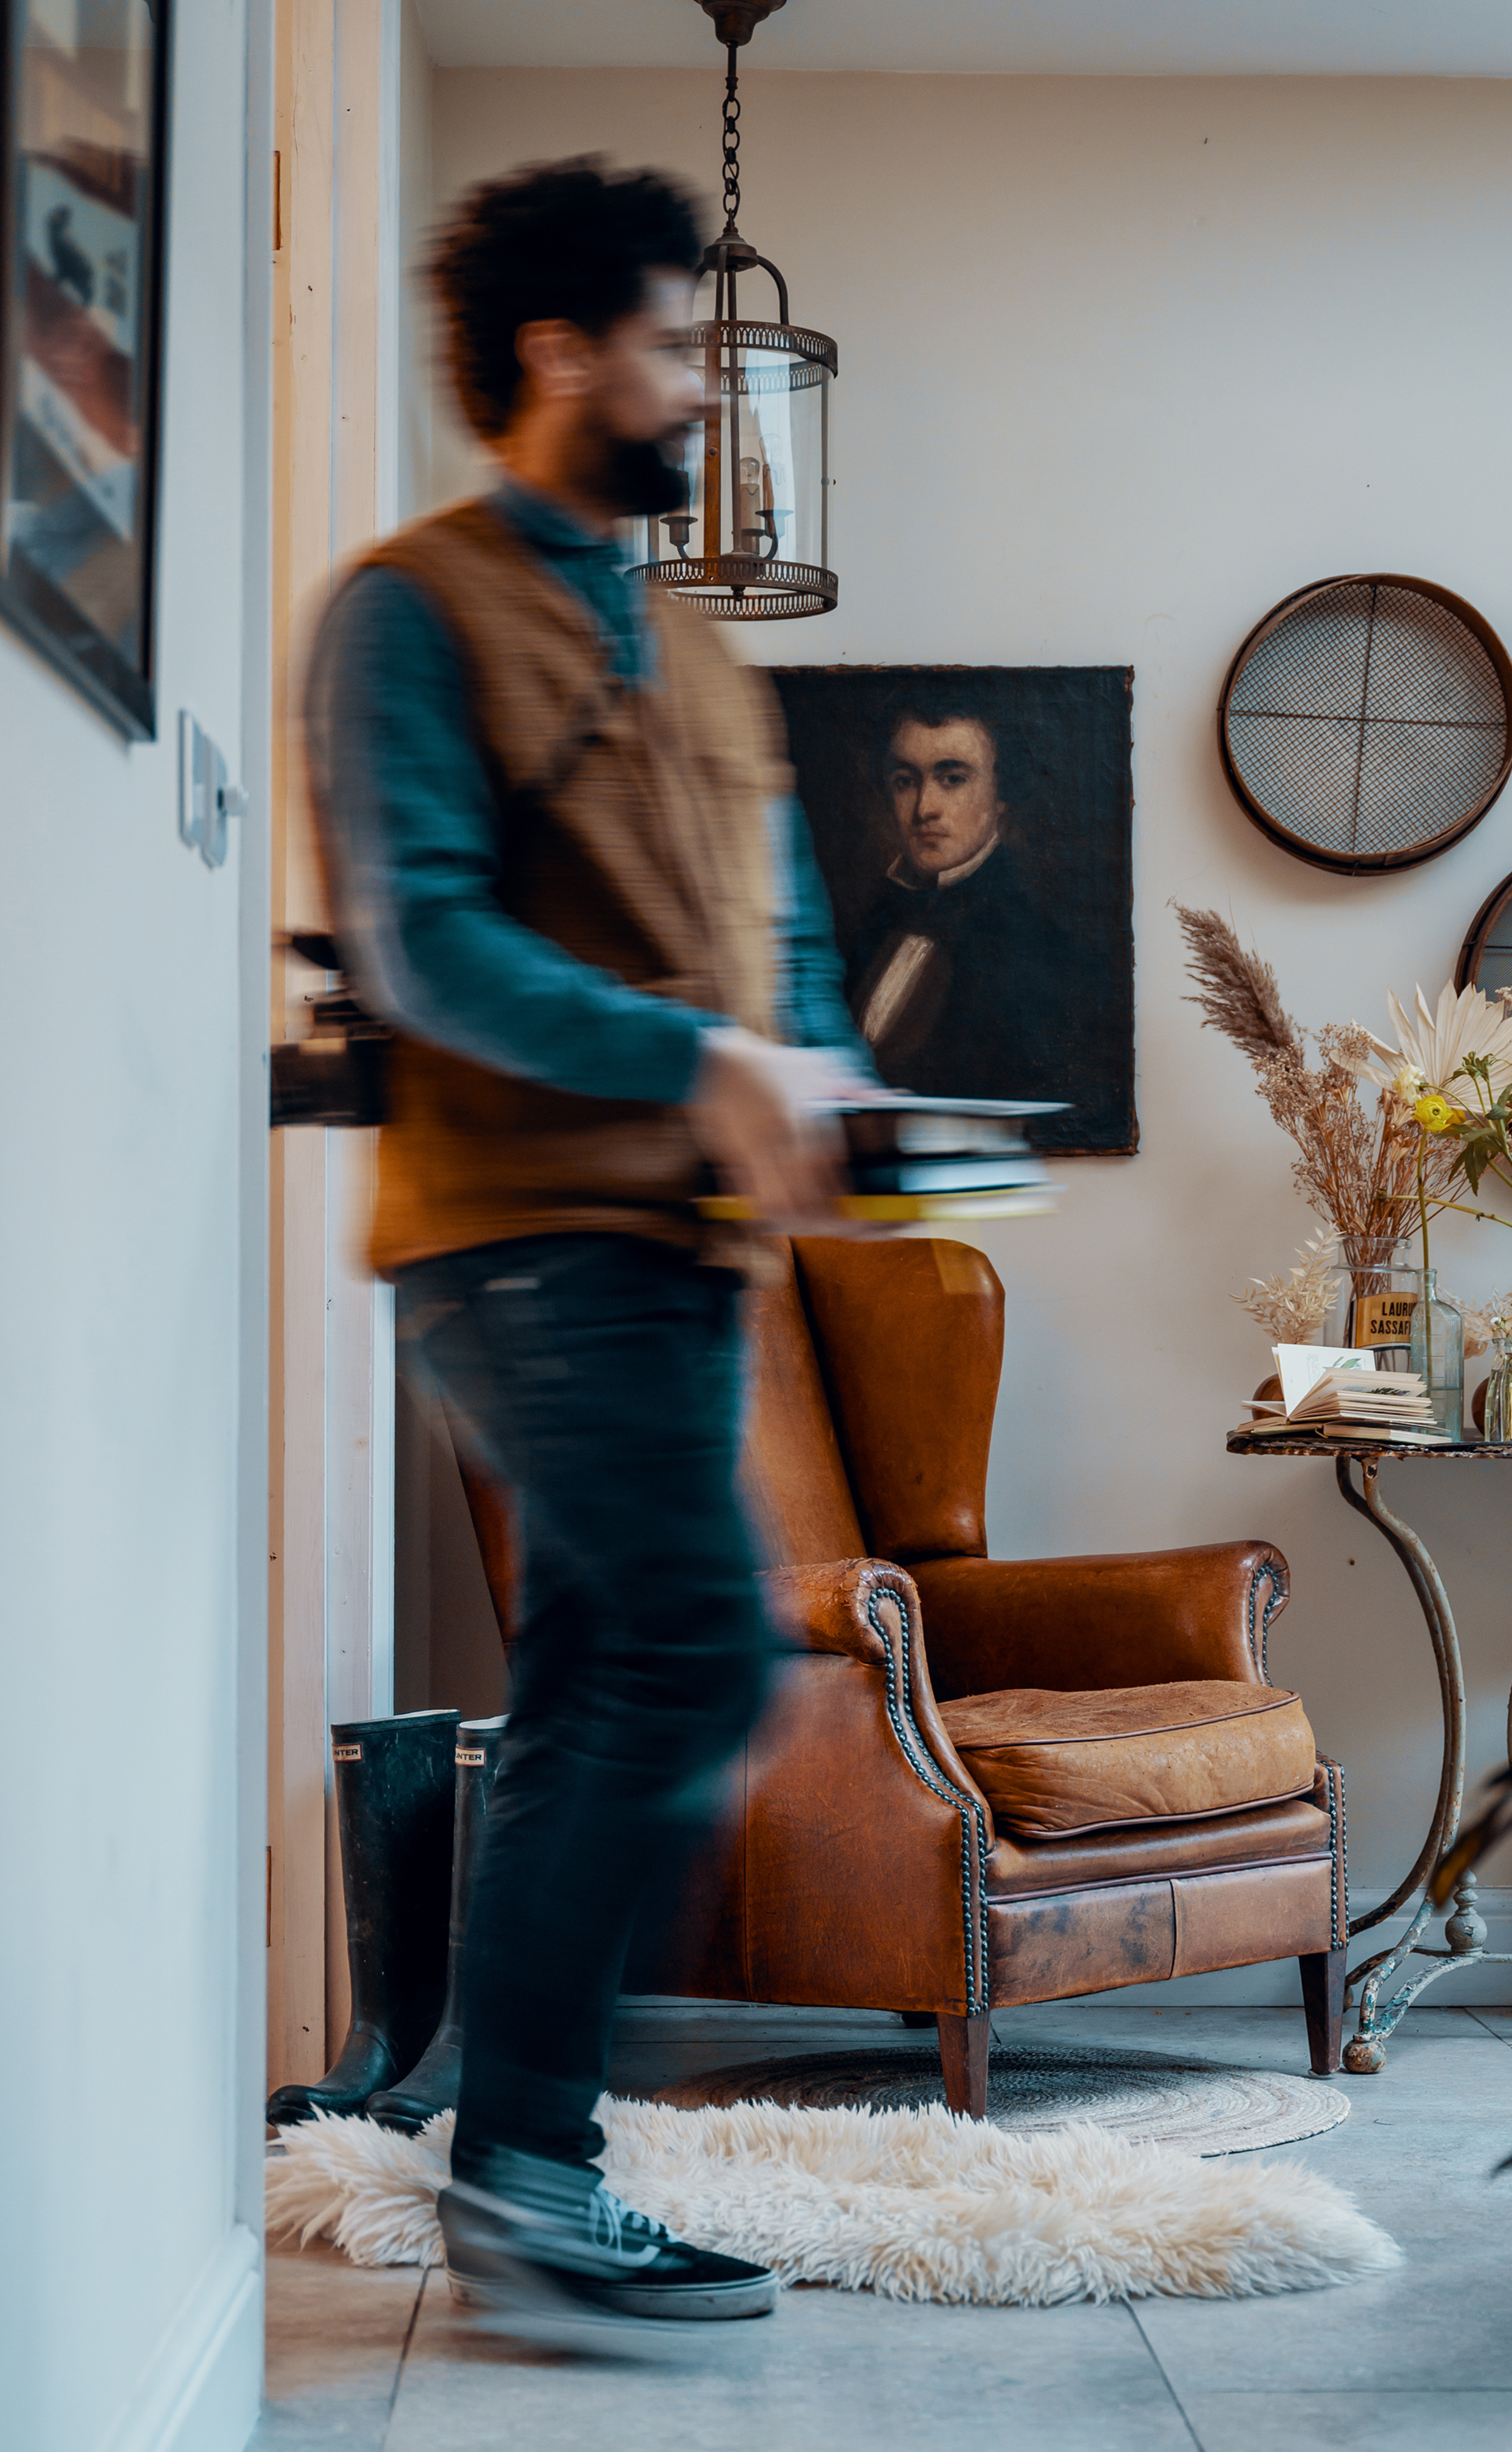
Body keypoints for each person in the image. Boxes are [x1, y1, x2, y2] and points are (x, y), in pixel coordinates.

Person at [303, 156, 876, 2344]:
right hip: (522, 1236)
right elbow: (419, 937)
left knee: (585, 1683)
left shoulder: (700, 653)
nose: (694, 391)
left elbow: (787, 947)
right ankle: (528, 2185)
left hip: (686, 1257)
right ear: (558, 351)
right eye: (666, 343)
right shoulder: (410, 610)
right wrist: (700, 1058)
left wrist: (818, 1082)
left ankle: (533, 2163)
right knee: (695, 1655)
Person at [845, 690, 1073, 1104]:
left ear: (1001, 795)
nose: (924, 808)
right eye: (905, 781)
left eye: (952, 779)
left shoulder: (1038, 950)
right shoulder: (870, 923)